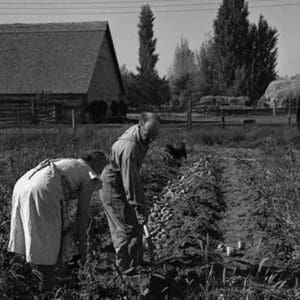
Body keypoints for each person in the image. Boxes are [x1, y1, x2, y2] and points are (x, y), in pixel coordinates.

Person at [7, 150, 107, 297]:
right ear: (97, 164)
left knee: (33, 235)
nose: (103, 171)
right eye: (103, 167)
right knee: (50, 242)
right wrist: (83, 251)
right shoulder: (89, 173)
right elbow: (82, 214)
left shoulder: (71, 163)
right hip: (43, 190)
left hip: (23, 184)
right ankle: (45, 291)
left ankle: (33, 281)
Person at [100, 112, 160, 275]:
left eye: (154, 136)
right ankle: (126, 268)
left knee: (135, 225)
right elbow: (130, 184)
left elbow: (131, 181)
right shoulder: (129, 149)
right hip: (113, 188)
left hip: (123, 181)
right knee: (126, 228)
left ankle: (138, 261)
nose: (151, 139)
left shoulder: (141, 135)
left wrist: (139, 208)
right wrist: (139, 207)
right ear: (140, 125)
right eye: (149, 135)